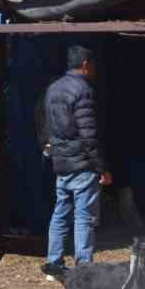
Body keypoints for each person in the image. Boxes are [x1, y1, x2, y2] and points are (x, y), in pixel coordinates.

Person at [44, 45, 110, 268]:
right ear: (85, 64)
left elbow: (47, 128)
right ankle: (83, 266)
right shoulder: (83, 90)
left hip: (61, 163)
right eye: (93, 65)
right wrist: (101, 168)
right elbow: (88, 134)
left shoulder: (52, 89)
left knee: (60, 212)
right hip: (82, 163)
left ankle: (54, 263)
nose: (94, 69)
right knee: (84, 217)